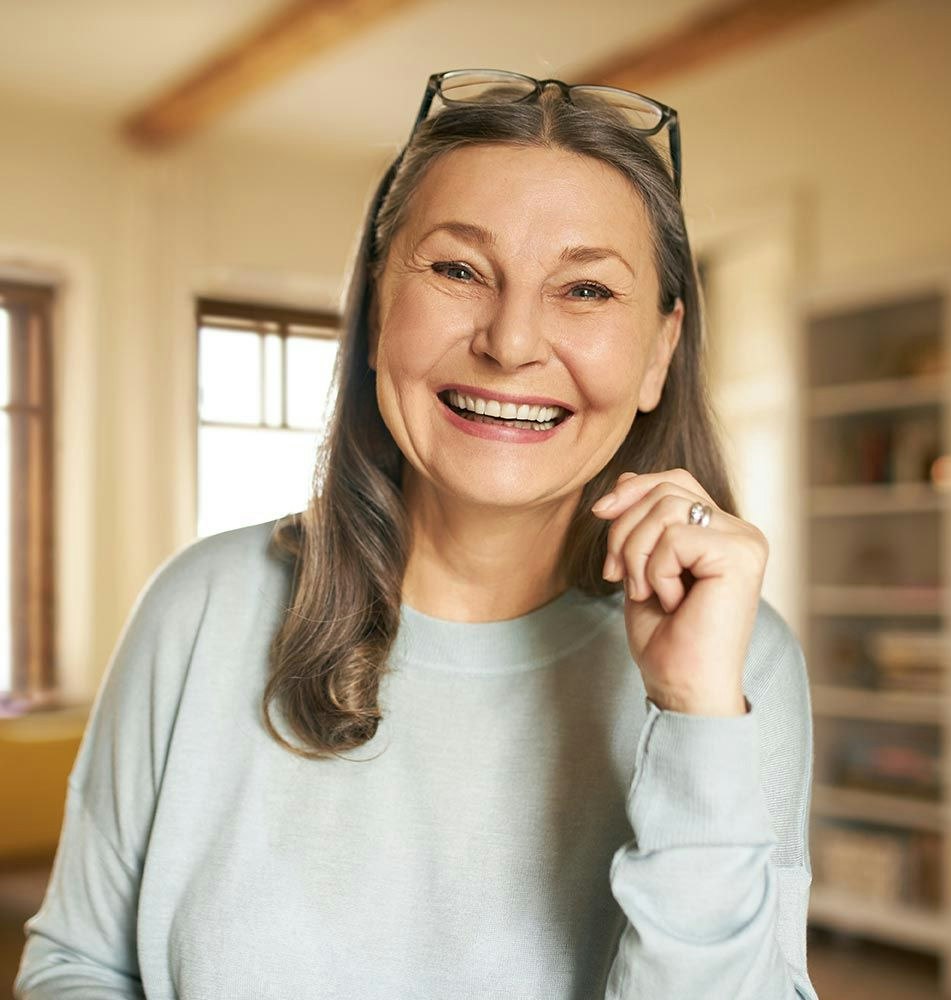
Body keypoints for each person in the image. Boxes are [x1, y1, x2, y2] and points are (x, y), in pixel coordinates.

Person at [15, 69, 818, 999]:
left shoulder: (737, 668)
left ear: (660, 352)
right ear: (374, 311)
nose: (512, 341)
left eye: (587, 289)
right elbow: (77, 966)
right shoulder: (199, 605)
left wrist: (694, 716)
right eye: (457, 270)